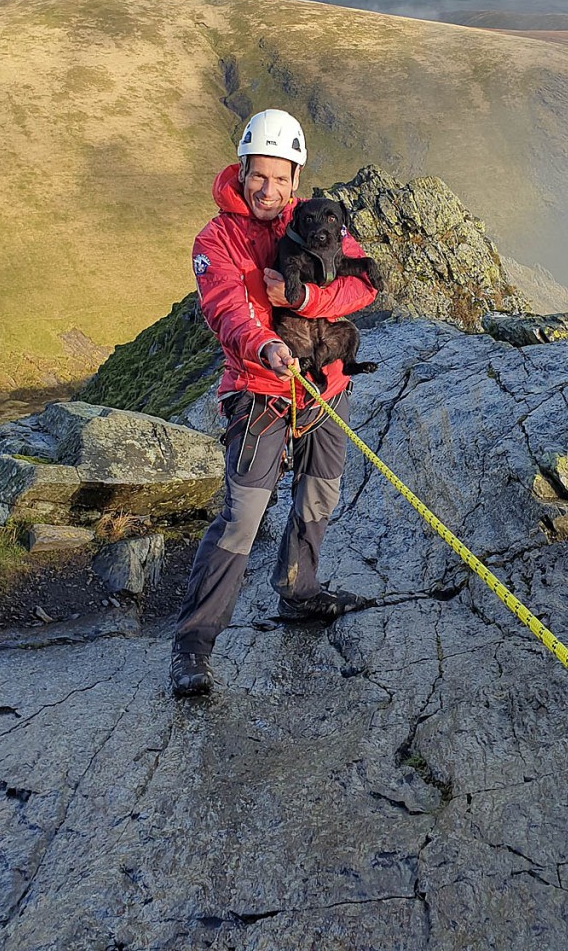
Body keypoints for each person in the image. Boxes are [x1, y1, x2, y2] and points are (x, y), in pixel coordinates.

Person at [170, 109, 378, 697]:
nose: (269, 190)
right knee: (241, 520)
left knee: (320, 492)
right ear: (241, 172)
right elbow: (224, 307)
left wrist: (306, 297)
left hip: (321, 388)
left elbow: (362, 284)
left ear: (295, 177)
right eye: (258, 176)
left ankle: (298, 590)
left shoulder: (315, 221)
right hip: (259, 391)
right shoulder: (217, 239)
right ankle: (193, 647)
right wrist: (262, 343)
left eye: (280, 178)